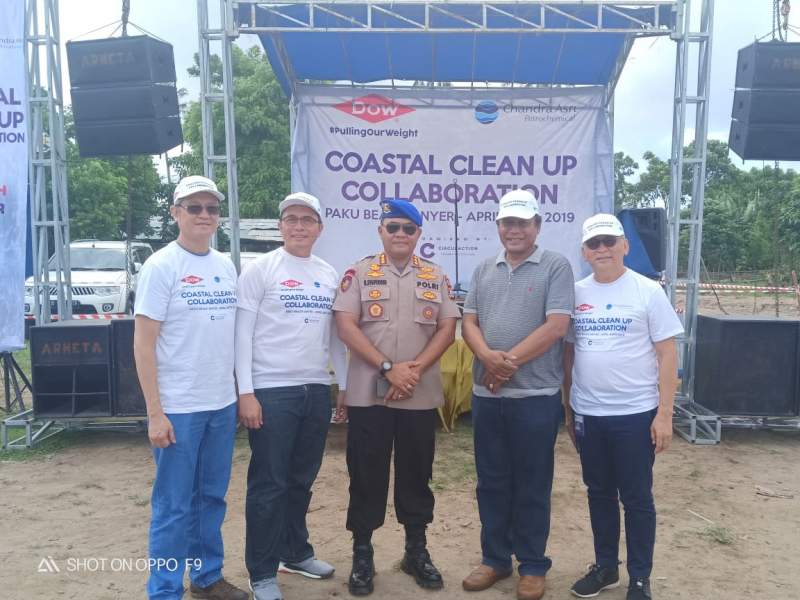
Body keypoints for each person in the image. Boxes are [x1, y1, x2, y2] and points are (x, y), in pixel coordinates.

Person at [333, 199, 459, 597]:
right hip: (369, 395)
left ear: (419, 233)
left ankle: (415, 551)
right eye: (393, 227)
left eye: (408, 228)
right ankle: (362, 554)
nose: (400, 234)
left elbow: (447, 328)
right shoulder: (358, 272)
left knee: (417, 474)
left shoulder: (435, 275)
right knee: (365, 473)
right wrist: (389, 368)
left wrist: (413, 370)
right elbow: (345, 325)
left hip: (417, 393)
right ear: (381, 231)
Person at [134, 175, 247, 600]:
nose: (204, 215)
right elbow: (143, 344)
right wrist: (155, 412)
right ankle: (164, 591)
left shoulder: (224, 266)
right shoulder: (161, 266)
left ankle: (206, 577)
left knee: (212, 498)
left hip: (221, 404)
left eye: (212, 208)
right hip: (179, 408)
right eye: (194, 207)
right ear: (175, 213)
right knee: (173, 505)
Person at [460, 189, 574, 600]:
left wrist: (505, 364)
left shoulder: (556, 266)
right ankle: (494, 559)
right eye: (508, 222)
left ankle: (532, 564)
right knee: (491, 481)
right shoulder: (483, 269)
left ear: (537, 226)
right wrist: (487, 359)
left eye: (523, 223)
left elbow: (556, 326)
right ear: (498, 226)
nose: (514, 230)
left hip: (535, 397)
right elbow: (468, 322)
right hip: (488, 398)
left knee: (532, 483)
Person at [563, 214, 682, 600]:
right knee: (598, 492)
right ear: (584, 252)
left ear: (625, 246)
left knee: (636, 498)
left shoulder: (648, 291)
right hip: (589, 414)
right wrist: (568, 408)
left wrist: (664, 414)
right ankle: (605, 568)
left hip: (635, 414)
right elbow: (569, 354)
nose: (602, 249)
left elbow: (667, 354)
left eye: (609, 242)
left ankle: (640, 578)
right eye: (593, 244)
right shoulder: (575, 293)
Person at [235, 192, 348, 600]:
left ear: (320, 227)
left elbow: (334, 337)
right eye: (291, 219)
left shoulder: (327, 273)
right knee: (269, 484)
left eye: (307, 219)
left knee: (301, 479)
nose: (299, 226)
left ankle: (295, 552)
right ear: (280, 225)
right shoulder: (260, 270)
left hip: (315, 389)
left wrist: (343, 385)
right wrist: (246, 392)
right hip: (272, 390)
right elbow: (241, 335)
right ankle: (262, 571)